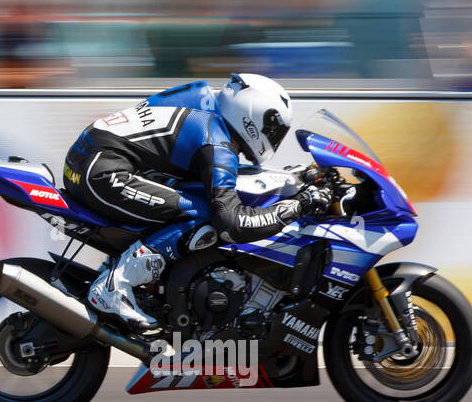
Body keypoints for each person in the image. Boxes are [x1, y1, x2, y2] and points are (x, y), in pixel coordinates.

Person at [61, 73, 330, 329]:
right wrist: (298, 205)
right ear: (253, 115)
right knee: (202, 214)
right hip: (102, 171)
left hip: (92, 161)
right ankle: (114, 286)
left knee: (194, 201)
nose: (273, 137)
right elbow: (231, 222)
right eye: (272, 128)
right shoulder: (216, 141)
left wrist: (291, 177)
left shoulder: (208, 112)